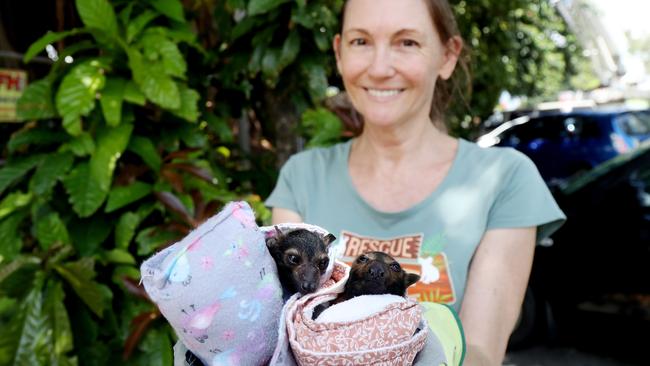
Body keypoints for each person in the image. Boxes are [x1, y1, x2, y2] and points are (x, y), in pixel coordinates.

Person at [265, 0, 566, 364]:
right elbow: (283, 326)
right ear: (339, 53)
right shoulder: (302, 176)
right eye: (361, 41)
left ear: (447, 56)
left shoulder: (505, 178)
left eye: (407, 42)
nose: (379, 68)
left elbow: (479, 352)